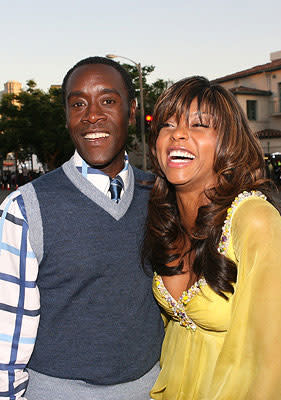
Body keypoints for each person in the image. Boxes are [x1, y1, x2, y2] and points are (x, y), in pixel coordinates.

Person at [0, 56, 164, 400]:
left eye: (107, 100)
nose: (92, 115)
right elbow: (6, 336)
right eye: (78, 104)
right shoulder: (25, 207)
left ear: (131, 111)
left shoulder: (161, 197)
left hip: (152, 388)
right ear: (67, 117)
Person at [142, 76, 281, 399]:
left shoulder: (253, 218)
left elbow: (275, 362)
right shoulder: (163, 218)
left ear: (228, 141)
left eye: (199, 125)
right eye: (167, 124)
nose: (178, 133)